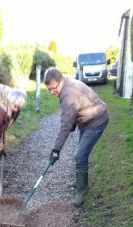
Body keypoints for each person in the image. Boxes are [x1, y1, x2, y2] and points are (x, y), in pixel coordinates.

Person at [44, 67, 109, 207]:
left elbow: (65, 125)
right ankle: (81, 182)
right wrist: (73, 125)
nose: (51, 92)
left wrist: (56, 150)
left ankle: (82, 192)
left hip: (96, 121)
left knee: (80, 155)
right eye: (48, 89)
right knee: (79, 153)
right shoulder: (66, 84)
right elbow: (72, 116)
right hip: (87, 121)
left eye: (53, 88)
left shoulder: (68, 95)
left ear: (60, 81)